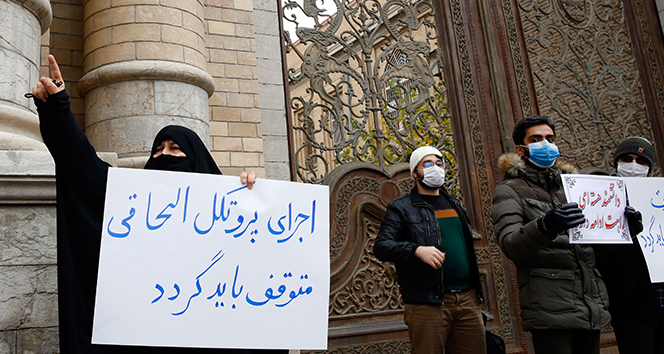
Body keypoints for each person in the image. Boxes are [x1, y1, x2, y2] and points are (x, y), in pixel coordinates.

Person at [31, 55, 282, 354]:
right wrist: (58, 108)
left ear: (197, 159)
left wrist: (253, 200)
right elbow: (81, 166)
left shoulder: (228, 210)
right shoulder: (133, 204)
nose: (164, 154)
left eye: (176, 149)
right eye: (158, 149)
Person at [491, 115, 610, 354]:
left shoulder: (572, 187)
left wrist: (624, 230)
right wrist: (545, 226)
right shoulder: (509, 190)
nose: (545, 144)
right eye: (536, 139)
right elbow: (511, 244)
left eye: (550, 138)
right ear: (521, 149)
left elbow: (594, 246)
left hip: (589, 304)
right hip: (550, 308)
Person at [374, 146, 486, 354]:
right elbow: (382, 247)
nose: (436, 168)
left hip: (467, 299)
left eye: (439, 163)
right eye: (428, 164)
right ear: (415, 172)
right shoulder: (402, 207)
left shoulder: (454, 203)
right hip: (428, 302)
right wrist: (416, 250)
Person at [595, 136, 664, 354]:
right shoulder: (601, 197)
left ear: (650, 167)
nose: (633, 165)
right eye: (627, 159)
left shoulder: (659, 196)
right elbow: (597, 251)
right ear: (616, 162)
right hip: (630, 305)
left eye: (641, 161)